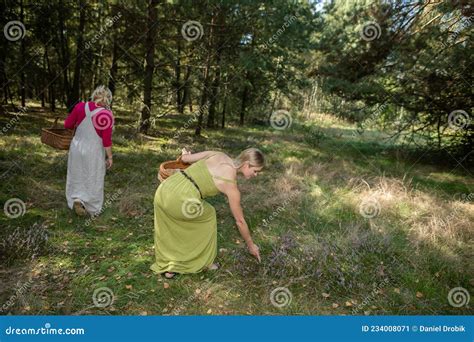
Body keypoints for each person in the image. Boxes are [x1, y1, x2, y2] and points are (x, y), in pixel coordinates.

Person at [151, 148, 264, 279]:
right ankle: (204, 262)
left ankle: (169, 266)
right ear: (246, 164)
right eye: (255, 171)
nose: (255, 175)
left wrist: (185, 155)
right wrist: (251, 245)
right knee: (208, 215)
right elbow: (240, 221)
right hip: (180, 200)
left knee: (175, 223)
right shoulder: (230, 185)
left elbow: (185, 159)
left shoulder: (218, 154)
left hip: (164, 189)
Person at [64, 85, 114, 216]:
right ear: (108, 99)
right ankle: (91, 208)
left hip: (76, 147)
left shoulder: (80, 106)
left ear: (94, 95)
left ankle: (77, 199)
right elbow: (106, 140)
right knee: (93, 177)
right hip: (94, 151)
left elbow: (67, 124)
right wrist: (110, 157)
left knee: (77, 174)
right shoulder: (106, 114)